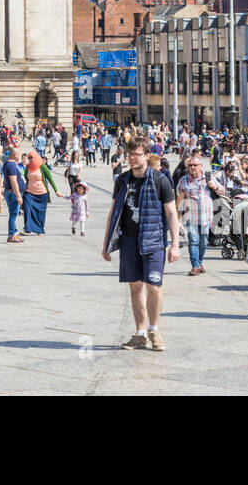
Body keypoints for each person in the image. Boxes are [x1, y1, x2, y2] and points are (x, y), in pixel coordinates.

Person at [102, 138, 178, 351]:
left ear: (146, 155)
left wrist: (175, 245)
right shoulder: (123, 180)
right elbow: (113, 212)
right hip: (129, 240)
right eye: (130, 154)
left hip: (153, 240)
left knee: (154, 286)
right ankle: (140, 333)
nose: (132, 157)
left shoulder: (160, 180)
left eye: (137, 154)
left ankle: (154, 330)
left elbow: (172, 213)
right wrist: (107, 242)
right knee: (135, 287)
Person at [175, 154, 221, 276]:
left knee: (203, 242)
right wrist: (178, 218)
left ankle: (199, 263)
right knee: (194, 241)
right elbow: (179, 200)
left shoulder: (208, 177)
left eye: (195, 165)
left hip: (206, 216)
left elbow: (223, 191)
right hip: (191, 216)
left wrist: (215, 186)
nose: (192, 167)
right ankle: (195, 266)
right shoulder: (183, 180)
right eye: (190, 165)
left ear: (201, 166)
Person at [21, 151, 59, 235]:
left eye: (31, 158)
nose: (30, 159)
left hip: (42, 193)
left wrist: (56, 191)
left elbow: (50, 179)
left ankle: (39, 229)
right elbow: (26, 179)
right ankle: (27, 229)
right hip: (29, 192)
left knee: (40, 213)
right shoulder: (27, 167)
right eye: (29, 158)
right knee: (27, 209)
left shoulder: (42, 167)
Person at [2, 149, 25, 243]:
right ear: (15, 154)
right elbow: (13, 181)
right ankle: (11, 235)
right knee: (13, 215)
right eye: (19, 153)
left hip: (10, 192)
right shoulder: (11, 165)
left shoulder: (8, 163)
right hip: (13, 193)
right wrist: (18, 195)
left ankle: (14, 233)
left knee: (13, 214)